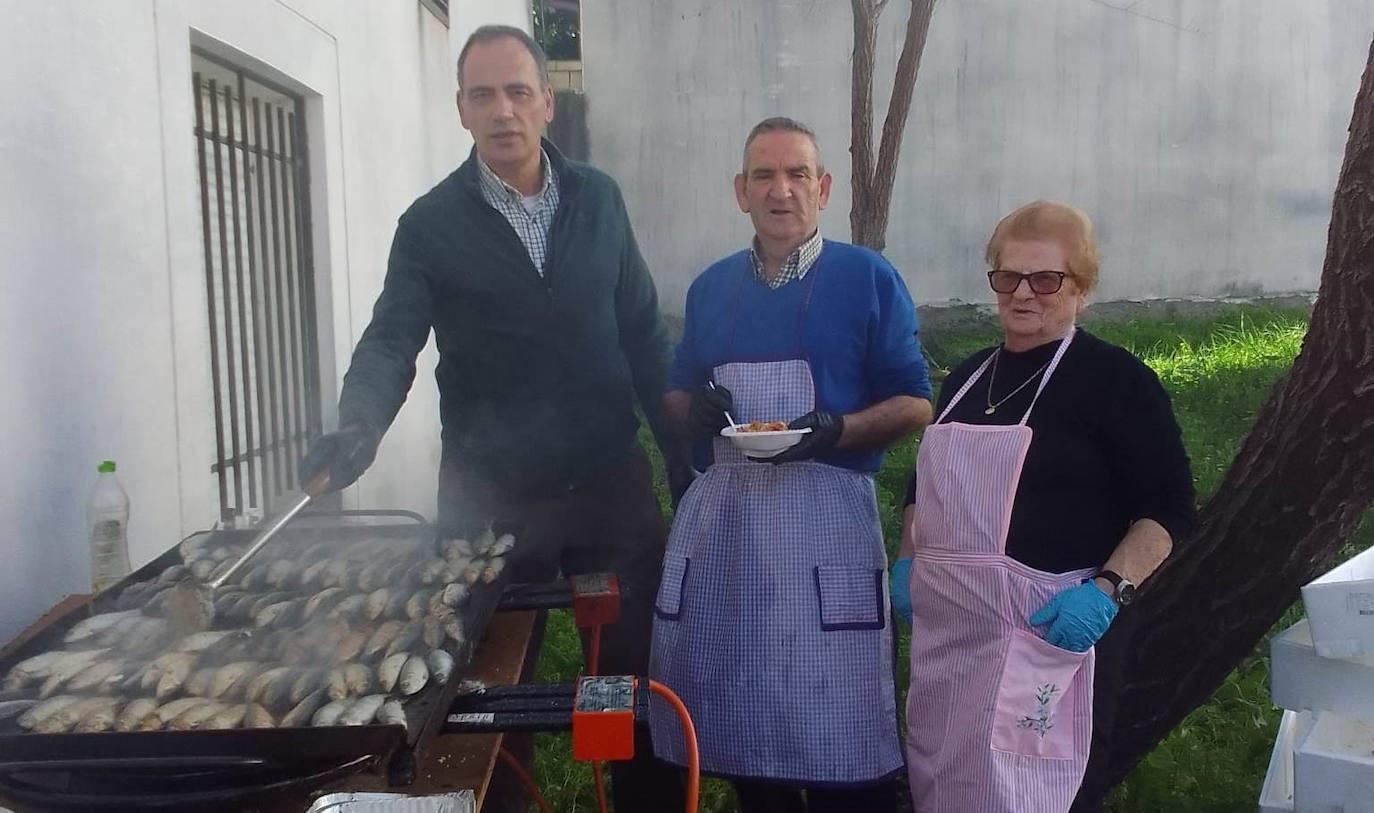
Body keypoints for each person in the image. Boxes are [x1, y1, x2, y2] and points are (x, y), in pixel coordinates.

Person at [297, 25, 681, 811]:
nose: (502, 110)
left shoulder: (600, 200)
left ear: (547, 102)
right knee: (492, 680)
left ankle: (631, 793)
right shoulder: (430, 225)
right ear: (462, 112)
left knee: (625, 669)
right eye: (482, 95)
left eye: (517, 91)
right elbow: (390, 340)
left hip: (609, 485)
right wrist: (358, 426)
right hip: (493, 499)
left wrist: (681, 452)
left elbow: (643, 331)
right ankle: (506, 796)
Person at [649, 116, 934, 813]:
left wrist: (837, 428)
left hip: (828, 521)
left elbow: (915, 402)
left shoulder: (868, 278)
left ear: (824, 187)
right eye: (764, 175)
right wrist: (696, 411)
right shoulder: (711, 288)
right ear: (740, 191)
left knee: (844, 734)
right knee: (748, 717)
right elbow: (677, 390)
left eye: (798, 173)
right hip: (733, 527)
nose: (782, 190)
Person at [891, 200, 1196, 813]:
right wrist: (908, 562)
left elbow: (1167, 510)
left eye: (1046, 279)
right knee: (946, 785)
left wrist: (1108, 590)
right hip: (954, 640)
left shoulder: (1118, 383)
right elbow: (925, 491)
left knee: (1040, 792)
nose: (1023, 293)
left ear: (1080, 289)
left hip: (1052, 635)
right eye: (1008, 276)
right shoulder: (967, 380)